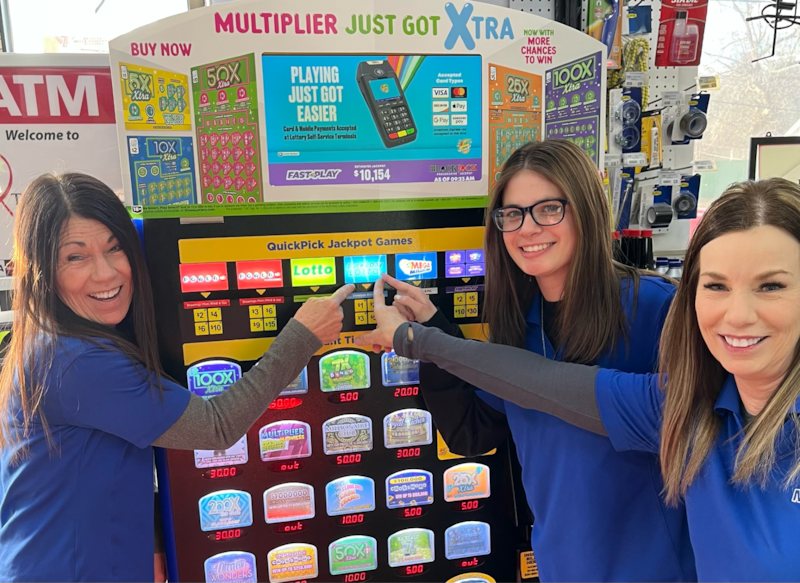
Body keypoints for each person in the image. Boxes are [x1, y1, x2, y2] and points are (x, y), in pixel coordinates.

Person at [362, 178, 800, 582]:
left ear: (587, 210)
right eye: (716, 286)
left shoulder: (657, 317)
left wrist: (421, 339)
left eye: (772, 286)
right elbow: (532, 386)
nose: (738, 315)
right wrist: (425, 335)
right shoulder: (678, 407)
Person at [0, 173, 355, 583]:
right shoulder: (75, 361)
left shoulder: (54, 338)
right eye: (75, 257)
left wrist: (150, 534)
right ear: (43, 270)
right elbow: (215, 427)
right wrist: (304, 336)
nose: (106, 273)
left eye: (115, 248)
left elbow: (93, 468)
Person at [366, 140, 694, 582]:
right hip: (562, 567)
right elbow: (473, 428)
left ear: (585, 210)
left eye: (548, 209)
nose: (527, 229)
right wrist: (432, 326)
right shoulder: (521, 326)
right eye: (513, 214)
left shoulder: (657, 309)